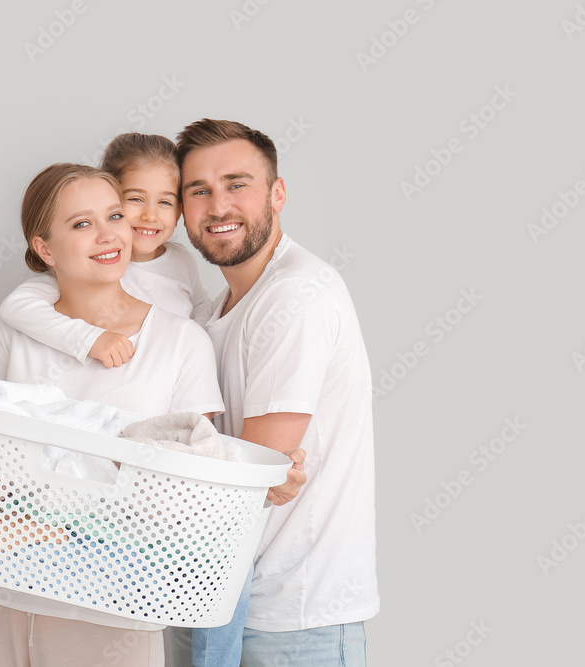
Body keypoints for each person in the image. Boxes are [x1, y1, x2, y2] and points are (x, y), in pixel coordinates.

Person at [0, 162, 305, 666]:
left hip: (111, 616)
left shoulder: (180, 342)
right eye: (81, 224)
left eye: (115, 216)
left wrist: (266, 490)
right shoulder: (19, 325)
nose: (107, 235)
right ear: (44, 248)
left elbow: (191, 490)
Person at [169, 119, 378, 666]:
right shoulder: (207, 314)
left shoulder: (295, 295)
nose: (218, 206)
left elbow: (257, 475)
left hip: (292, 615)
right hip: (212, 599)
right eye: (199, 190)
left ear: (277, 193)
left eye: (237, 184)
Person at [0, 133, 213, 371]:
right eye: (136, 199)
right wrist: (90, 339)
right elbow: (17, 307)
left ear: (180, 210)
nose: (150, 215)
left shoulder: (181, 260)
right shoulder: (96, 267)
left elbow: (201, 304)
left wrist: (195, 338)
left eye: (165, 202)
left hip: (171, 374)